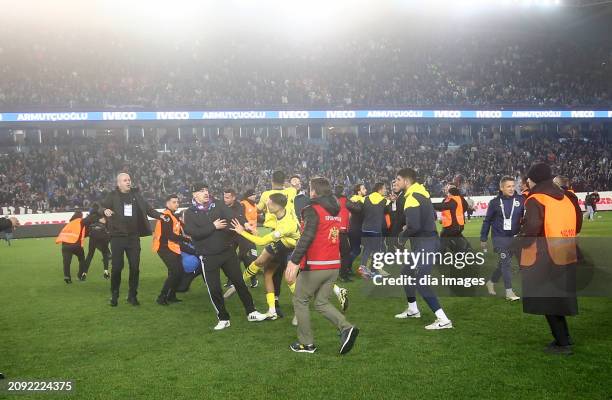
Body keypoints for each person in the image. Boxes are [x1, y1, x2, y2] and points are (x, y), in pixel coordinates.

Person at [285, 177, 359, 354]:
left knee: (300, 300)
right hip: (334, 264)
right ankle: (346, 328)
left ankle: (306, 344)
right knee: (321, 302)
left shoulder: (312, 209)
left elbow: (307, 236)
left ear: (314, 191)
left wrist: (294, 261)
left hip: (317, 264)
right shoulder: (334, 209)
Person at [516, 163, 581, 355]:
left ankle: (563, 344)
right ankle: (564, 338)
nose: (526, 181)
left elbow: (532, 229)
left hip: (545, 256)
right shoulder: (566, 197)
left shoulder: (536, 199)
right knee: (557, 299)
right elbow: (577, 224)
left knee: (548, 300)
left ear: (534, 179)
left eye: (528, 178)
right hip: (565, 252)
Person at [183, 183, 267, 330]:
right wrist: (213, 227)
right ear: (194, 195)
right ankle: (223, 318)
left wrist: (245, 224)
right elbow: (192, 232)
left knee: (240, 283)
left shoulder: (217, 205)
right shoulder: (190, 213)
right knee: (214, 289)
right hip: (208, 256)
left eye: (207, 190)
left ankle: (251, 311)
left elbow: (233, 216)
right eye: (202, 191)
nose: (206, 193)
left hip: (227, 253)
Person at [394, 168, 453, 330]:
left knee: (421, 281)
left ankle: (443, 320)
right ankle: (413, 309)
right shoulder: (422, 193)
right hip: (428, 241)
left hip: (425, 243)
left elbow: (414, 226)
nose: (396, 182)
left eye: (398, 179)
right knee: (406, 273)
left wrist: (401, 236)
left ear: (406, 181)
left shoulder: (411, 197)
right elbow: (431, 217)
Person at [229, 192, 300, 319]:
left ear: (277, 206)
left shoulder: (286, 226)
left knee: (290, 279)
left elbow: (261, 241)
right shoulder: (285, 208)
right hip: (282, 242)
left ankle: (300, 311)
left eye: (269, 203)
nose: (266, 204)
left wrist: (241, 232)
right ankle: (271, 310)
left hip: (293, 248)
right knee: (265, 269)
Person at [102, 173, 168, 307]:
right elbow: (100, 207)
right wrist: (105, 210)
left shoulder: (136, 195)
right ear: (119, 183)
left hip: (133, 238)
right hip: (117, 238)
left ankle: (132, 296)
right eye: (125, 180)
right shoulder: (112, 195)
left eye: (129, 180)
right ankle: (114, 295)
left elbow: (149, 209)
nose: (128, 182)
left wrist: (161, 215)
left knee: (135, 267)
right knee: (117, 268)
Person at [481, 176, 524, 301]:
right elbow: (487, 221)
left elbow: (525, 218)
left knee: (502, 264)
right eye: (508, 186)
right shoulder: (494, 202)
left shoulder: (521, 200)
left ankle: (491, 282)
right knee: (506, 263)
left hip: (514, 237)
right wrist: (483, 238)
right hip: (499, 237)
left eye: (513, 186)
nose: (511, 189)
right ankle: (509, 292)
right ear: (501, 188)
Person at [152, 194, 190, 305]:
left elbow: (180, 229)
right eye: (174, 202)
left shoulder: (172, 216)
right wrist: (186, 239)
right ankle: (162, 297)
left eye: (177, 202)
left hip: (172, 247)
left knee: (178, 272)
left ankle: (171, 295)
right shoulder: (166, 216)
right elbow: (170, 235)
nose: (177, 204)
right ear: (167, 203)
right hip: (164, 247)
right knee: (176, 272)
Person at [224, 188, 258, 288]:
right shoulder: (222, 205)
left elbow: (240, 217)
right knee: (230, 258)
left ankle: (253, 279)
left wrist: (246, 224)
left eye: (227, 197)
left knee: (244, 257)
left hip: (243, 233)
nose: (225, 199)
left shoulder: (239, 205)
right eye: (224, 197)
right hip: (230, 235)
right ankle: (231, 280)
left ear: (233, 198)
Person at [358, 182, 391, 278]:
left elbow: (361, 211)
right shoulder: (385, 201)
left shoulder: (365, 199)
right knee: (377, 251)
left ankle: (363, 268)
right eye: (384, 188)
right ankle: (373, 271)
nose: (385, 190)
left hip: (365, 228)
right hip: (376, 229)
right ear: (379, 189)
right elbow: (388, 212)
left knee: (367, 248)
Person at [55, 211, 96, 283]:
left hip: (65, 245)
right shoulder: (80, 221)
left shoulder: (69, 224)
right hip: (76, 245)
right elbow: (89, 219)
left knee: (66, 262)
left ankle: (67, 277)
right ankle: (80, 276)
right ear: (80, 216)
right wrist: (94, 211)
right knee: (82, 260)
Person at [434, 184, 470, 253]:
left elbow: (443, 206)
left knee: (445, 238)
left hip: (452, 224)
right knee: (456, 238)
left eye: (448, 188)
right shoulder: (449, 199)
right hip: (450, 224)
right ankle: (465, 250)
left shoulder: (454, 199)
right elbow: (444, 208)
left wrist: (457, 213)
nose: (446, 189)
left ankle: (442, 254)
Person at [82, 205, 111, 279]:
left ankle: (84, 273)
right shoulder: (103, 215)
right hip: (104, 237)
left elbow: (83, 222)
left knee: (90, 255)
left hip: (93, 237)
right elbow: (108, 223)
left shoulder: (91, 216)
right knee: (105, 254)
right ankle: (106, 272)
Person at [346, 183, 367, 269]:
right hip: (357, 228)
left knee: (353, 249)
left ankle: (347, 268)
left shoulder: (354, 199)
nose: (365, 190)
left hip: (353, 227)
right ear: (359, 192)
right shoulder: (358, 200)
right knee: (356, 250)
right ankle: (345, 266)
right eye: (363, 188)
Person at [335, 185, 353, 282]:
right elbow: (356, 208)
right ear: (343, 192)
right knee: (345, 253)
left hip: (332, 230)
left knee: (332, 253)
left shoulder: (332, 200)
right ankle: (343, 275)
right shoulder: (345, 200)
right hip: (341, 230)